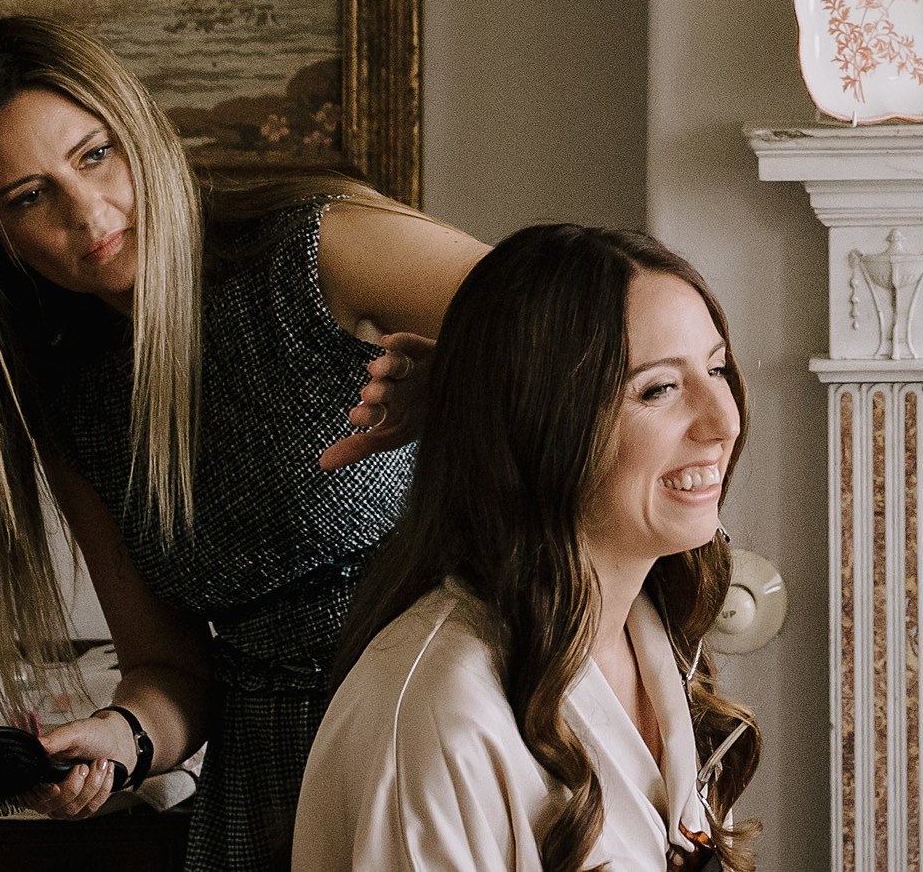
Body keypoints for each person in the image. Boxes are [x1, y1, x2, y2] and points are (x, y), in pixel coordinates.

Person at [0, 17, 485, 871]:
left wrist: (470, 381)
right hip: (269, 798)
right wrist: (118, 737)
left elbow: (586, 323)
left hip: (450, 732)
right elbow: (172, 669)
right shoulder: (75, 406)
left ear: (137, 130)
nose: (88, 211)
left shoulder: (315, 250)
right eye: (30, 196)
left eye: (94, 154)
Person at [297, 225, 761, 872]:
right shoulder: (440, 721)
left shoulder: (653, 634)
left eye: (715, 367)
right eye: (659, 388)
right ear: (542, 418)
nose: (724, 420)